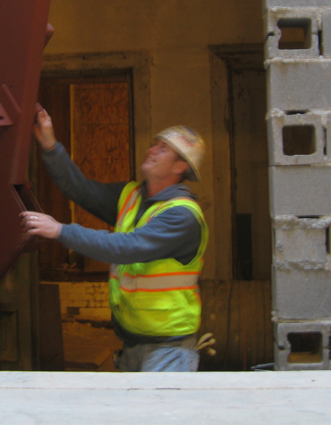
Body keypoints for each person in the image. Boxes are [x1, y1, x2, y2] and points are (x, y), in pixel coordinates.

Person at [24, 110, 208, 372]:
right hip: (131, 342)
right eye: (155, 143)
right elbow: (82, 190)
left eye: (163, 148)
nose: (152, 150)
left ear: (180, 167)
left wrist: (61, 231)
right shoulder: (131, 195)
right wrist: (51, 147)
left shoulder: (183, 214)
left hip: (169, 348)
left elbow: (127, 247)